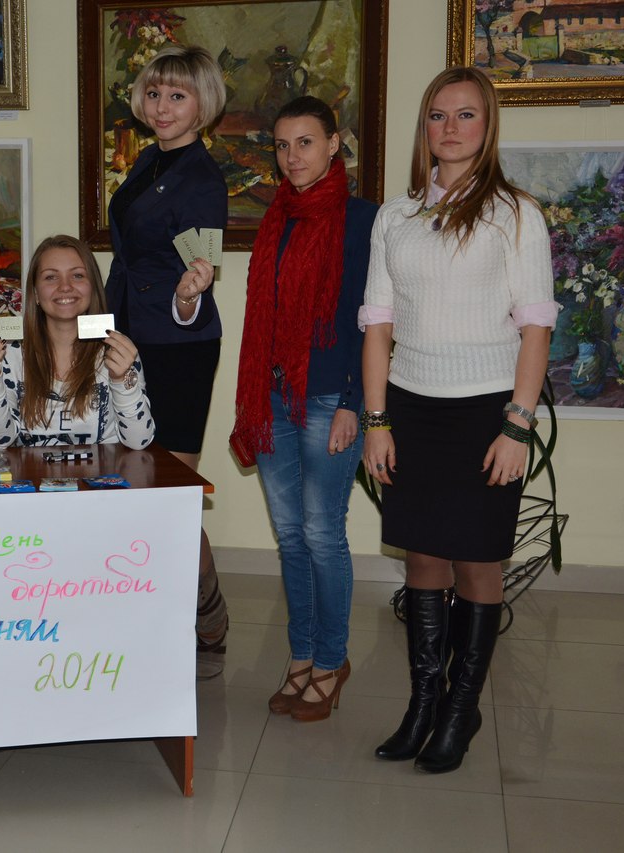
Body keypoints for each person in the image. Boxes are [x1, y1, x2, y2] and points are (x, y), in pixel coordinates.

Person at [360, 67, 556, 772]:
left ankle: (460, 707)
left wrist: (517, 425)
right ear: (425, 127)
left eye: (465, 114)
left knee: (477, 562)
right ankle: (424, 702)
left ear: (488, 124)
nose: (450, 128)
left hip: (487, 412)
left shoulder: (516, 214)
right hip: (410, 407)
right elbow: (377, 325)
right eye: (438, 115)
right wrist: (376, 420)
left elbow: (536, 327)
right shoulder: (396, 217)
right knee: (421, 557)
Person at [231, 96, 377, 723]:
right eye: (282, 145)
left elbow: (374, 323)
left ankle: (331, 660)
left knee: (322, 534)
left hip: (328, 402)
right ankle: (301, 654)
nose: (292, 157)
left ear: (334, 144)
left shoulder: (363, 220)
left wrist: (353, 404)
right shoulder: (277, 219)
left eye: (306, 142)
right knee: (290, 536)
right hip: (273, 398)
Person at [106, 44, 230, 677]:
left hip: (178, 347)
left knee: (168, 496)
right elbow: (127, 264)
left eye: (177, 95)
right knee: (127, 486)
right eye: (154, 93)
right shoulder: (149, 160)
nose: (161, 106)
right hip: (125, 336)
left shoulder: (201, 178)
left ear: (203, 104)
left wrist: (188, 294)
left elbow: (195, 279)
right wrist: (91, 330)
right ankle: (148, 617)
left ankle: (206, 617)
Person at [0, 234, 154, 449]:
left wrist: (121, 380)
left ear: (93, 287)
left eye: (77, 275)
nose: (65, 286)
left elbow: (138, 441)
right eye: (50, 277)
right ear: (35, 292)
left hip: (105, 471)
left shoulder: (117, 350)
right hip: (30, 472)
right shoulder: (8, 352)